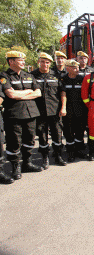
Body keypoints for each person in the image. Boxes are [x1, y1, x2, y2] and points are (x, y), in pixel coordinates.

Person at [1, 51, 42, 181]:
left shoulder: (28, 75)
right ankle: (15, 167)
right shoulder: (4, 76)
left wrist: (22, 94)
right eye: (20, 60)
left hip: (31, 112)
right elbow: (11, 95)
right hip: (14, 115)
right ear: (11, 61)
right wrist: (29, 92)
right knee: (14, 142)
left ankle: (27, 163)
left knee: (30, 139)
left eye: (24, 60)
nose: (23, 62)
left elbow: (38, 92)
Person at [31, 52, 67, 169]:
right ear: (38, 62)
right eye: (42, 61)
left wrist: (63, 107)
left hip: (55, 110)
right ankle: (45, 158)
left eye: (47, 62)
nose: (45, 64)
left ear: (50, 63)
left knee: (57, 135)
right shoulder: (32, 75)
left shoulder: (56, 75)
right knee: (42, 136)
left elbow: (62, 92)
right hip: (39, 111)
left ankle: (58, 156)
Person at [60, 59, 88, 162]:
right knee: (69, 132)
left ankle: (79, 150)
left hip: (81, 109)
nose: (77, 69)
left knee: (80, 131)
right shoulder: (63, 79)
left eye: (77, 67)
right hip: (69, 110)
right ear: (68, 69)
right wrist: (63, 108)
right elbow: (63, 93)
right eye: (74, 68)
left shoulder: (82, 78)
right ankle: (71, 152)